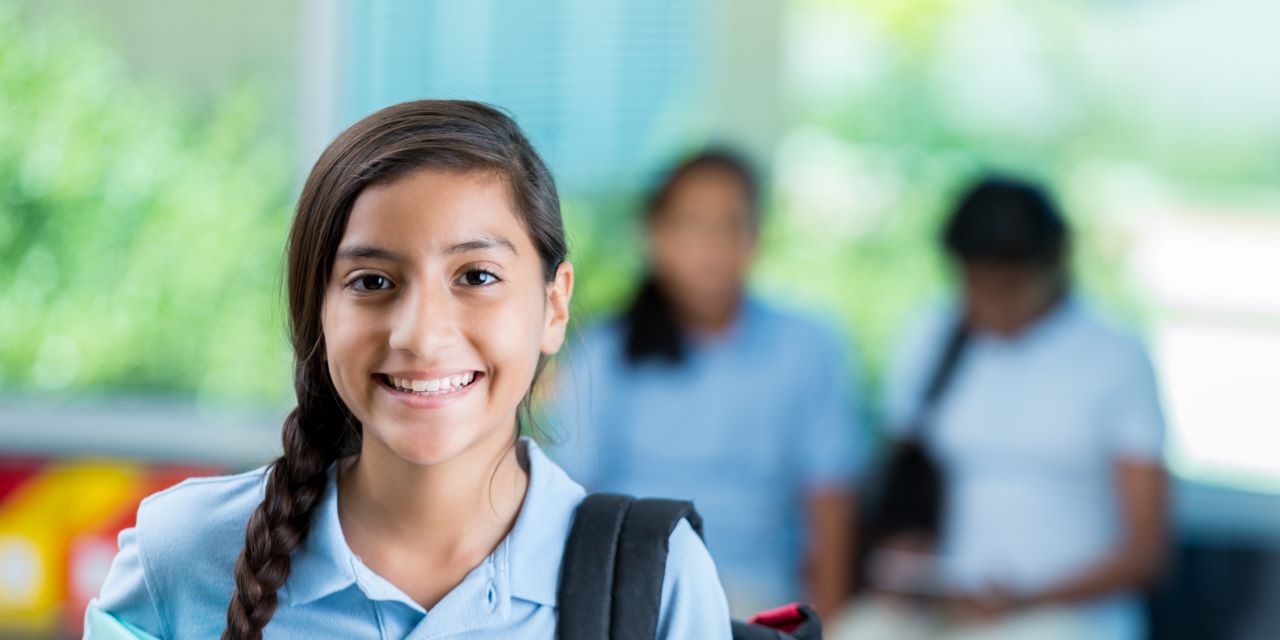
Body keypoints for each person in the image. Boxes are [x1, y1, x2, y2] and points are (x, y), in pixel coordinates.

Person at [85, 100, 731, 639]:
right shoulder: (182, 555)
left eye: (476, 276)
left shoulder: (658, 580)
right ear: (317, 313)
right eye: (372, 281)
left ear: (553, 305)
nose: (421, 335)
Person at [832, 176, 1168, 640]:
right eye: (974, 284)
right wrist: (906, 553)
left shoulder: (1114, 355)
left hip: (1065, 614)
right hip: (943, 602)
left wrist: (1025, 598)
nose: (988, 305)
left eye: (1006, 287)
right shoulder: (932, 335)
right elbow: (901, 481)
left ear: (1054, 264)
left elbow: (1146, 552)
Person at [553, 149, 862, 619]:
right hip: (636, 589)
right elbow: (575, 495)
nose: (712, 245)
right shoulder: (604, 350)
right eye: (692, 224)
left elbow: (830, 498)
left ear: (756, 236)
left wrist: (828, 623)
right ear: (655, 235)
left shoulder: (806, 344)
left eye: (729, 224)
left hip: (757, 596)